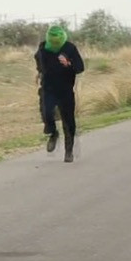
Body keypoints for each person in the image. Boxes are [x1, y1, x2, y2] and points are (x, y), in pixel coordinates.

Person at [35, 25, 85, 162]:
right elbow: (39, 62)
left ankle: (69, 151)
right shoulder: (43, 48)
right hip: (48, 88)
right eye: (52, 42)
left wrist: (68, 63)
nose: (55, 45)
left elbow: (80, 67)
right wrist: (39, 72)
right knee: (47, 113)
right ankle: (53, 133)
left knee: (68, 121)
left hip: (65, 89)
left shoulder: (70, 48)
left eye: (57, 42)